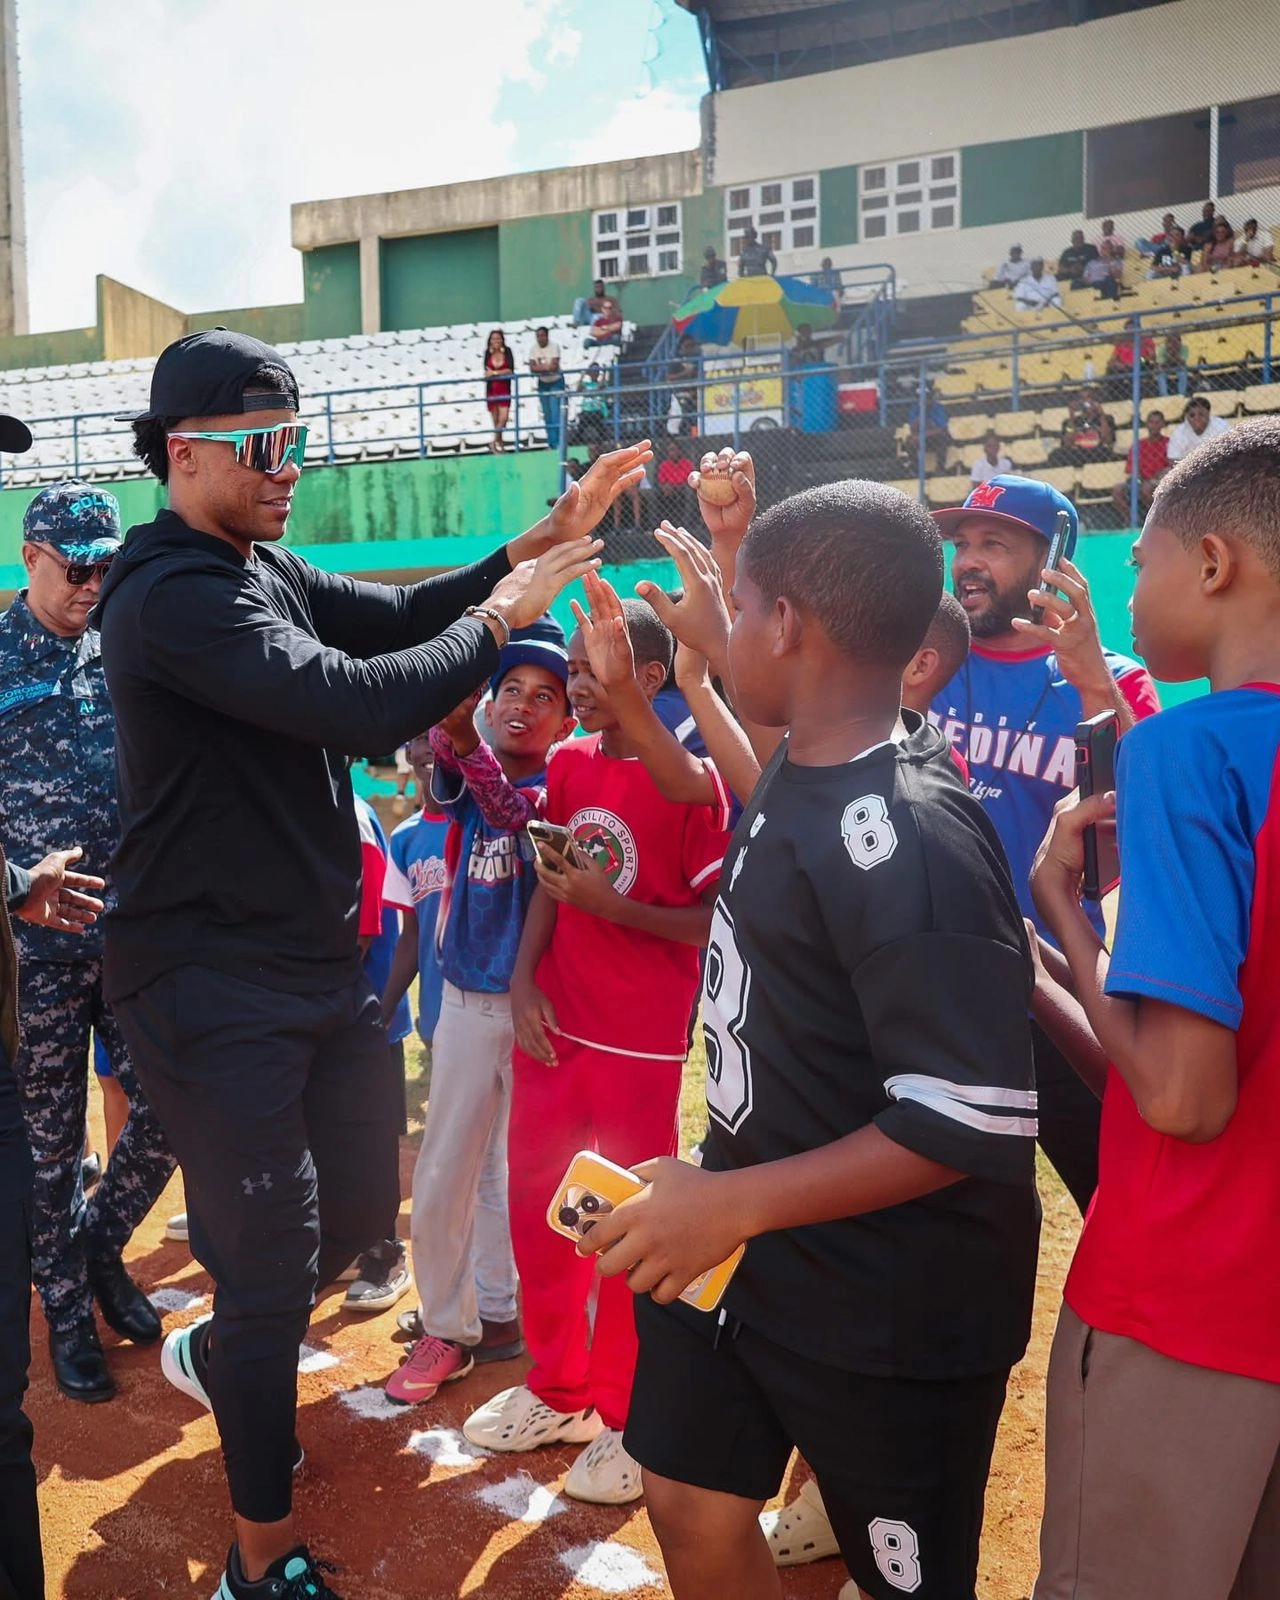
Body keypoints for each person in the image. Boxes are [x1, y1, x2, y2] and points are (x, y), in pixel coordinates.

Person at [95, 327, 644, 1598]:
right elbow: (357, 700)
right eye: (265, 446)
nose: (292, 466)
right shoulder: (169, 590)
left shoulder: (256, 561)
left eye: (299, 441)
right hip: (198, 971)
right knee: (278, 1247)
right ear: (184, 456)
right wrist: (507, 616)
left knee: (354, 1221)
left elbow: (396, 615)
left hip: (301, 965)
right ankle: (259, 1556)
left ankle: (222, 1347)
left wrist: (520, 549)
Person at [580, 479, 1040, 1600]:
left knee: (906, 1583)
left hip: (889, 1289)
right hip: (749, 1231)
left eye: (738, 609)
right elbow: (747, 749)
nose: (720, 626)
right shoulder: (810, 756)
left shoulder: (915, 839)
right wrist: (706, 631)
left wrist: (726, 1202)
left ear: (785, 625)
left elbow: (964, 1117)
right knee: (684, 1489)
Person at [1028, 418, 1280, 1600]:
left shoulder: (1183, 755)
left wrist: (1065, 926)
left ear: (1216, 564)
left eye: (1144, 559)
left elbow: (1183, 1096)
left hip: (1188, 1305)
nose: (1132, 586)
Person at [463, 589, 730, 1506]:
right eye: (572, 665)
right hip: (554, 1029)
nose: (572, 682)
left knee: (615, 1230)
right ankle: (558, 1390)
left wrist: (618, 910)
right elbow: (551, 882)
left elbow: (711, 919)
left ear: (650, 677)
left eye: (589, 666)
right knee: (543, 1215)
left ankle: (623, 1417)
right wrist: (524, 977)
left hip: (637, 1048)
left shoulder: (693, 779)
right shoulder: (570, 765)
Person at [930, 475, 1159, 1214]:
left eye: (993, 545)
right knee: (947, 1224)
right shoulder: (922, 666)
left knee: (1122, 1204)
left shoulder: (1117, 684)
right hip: (942, 994)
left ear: (1054, 557)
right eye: (961, 544)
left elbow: (1154, 820)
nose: (968, 561)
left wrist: (1094, 685)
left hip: (1066, 996)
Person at [0, 483, 176, 1405]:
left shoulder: (126, 646)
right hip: (35, 953)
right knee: (49, 1143)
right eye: (76, 568)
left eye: (107, 567)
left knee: (174, 1109)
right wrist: (16, 886)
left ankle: (99, 1247)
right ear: (29, 556)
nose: (92, 585)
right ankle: (68, 1315)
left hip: (136, 936)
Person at [384, 631, 575, 1405]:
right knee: (443, 1175)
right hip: (465, 1001)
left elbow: (518, 819)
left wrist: (467, 735)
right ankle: (445, 1325)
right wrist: (456, 717)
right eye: (510, 689)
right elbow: (459, 779)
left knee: (515, 1175)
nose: (523, 706)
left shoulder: (567, 783)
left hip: (541, 1007)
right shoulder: (460, 768)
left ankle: (498, 1315)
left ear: (567, 719)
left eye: (545, 696)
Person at [335, 794, 415, 1314]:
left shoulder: (354, 818)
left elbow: (361, 934)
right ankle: (339, 1242)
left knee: (371, 1141)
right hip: (328, 1013)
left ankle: (385, 1253)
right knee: (331, 1134)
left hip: (367, 1017)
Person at [1112, 408, 1169, 520]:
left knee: (1146, 488)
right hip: (1141, 480)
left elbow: (1170, 466)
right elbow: (1131, 469)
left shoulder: (1168, 443)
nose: (1154, 426)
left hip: (1160, 480)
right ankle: (1131, 521)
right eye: (1151, 422)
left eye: (1157, 422)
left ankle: (1156, 521)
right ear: (1147, 424)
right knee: (1117, 490)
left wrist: (1156, 477)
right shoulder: (1139, 444)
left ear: (1162, 424)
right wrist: (1138, 478)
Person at [1047, 389, 1115, 468]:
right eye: (1082, 398)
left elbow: (1108, 440)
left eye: (1088, 398)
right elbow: (1067, 443)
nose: (1085, 402)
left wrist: (1102, 415)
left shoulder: (1107, 419)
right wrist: (1071, 416)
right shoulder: (1069, 422)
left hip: (1096, 450)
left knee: (1104, 452)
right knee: (1056, 454)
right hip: (1077, 452)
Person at [527, 327, 565, 450]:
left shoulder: (554, 346)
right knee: (547, 414)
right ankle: (551, 443)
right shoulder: (533, 349)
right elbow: (532, 369)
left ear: (547, 336)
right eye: (538, 336)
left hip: (556, 382)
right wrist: (546, 367)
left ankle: (559, 443)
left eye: (542, 336)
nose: (540, 338)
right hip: (543, 383)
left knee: (556, 413)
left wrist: (541, 367)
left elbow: (554, 366)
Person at [1166, 393, 1230, 463]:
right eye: (1192, 415)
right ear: (1187, 417)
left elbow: (1231, 451)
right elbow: (1173, 459)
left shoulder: (1221, 425)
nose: (1197, 418)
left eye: (1201, 414)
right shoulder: (1179, 432)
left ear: (1208, 414)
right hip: (1189, 468)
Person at [905, 383, 951, 474]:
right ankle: (915, 469)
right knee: (909, 441)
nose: (923, 400)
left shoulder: (938, 407)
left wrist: (921, 435)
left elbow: (941, 429)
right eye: (919, 397)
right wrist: (922, 412)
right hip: (923, 438)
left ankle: (940, 469)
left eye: (925, 397)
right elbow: (912, 428)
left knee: (942, 437)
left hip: (936, 438)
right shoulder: (915, 408)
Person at [483, 329, 515, 452]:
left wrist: (495, 373)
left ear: (502, 340)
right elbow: (486, 372)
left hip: (504, 389)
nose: (496, 341)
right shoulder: (487, 353)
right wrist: (491, 374)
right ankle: (499, 445)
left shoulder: (507, 352)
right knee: (496, 421)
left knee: (504, 418)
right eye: (493, 339)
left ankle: (494, 442)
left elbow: (510, 370)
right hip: (492, 390)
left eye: (498, 338)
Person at [655, 438, 696, 526]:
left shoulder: (687, 463)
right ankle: (662, 523)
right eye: (670, 450)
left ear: (679, 451)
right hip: (669, 489)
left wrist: (677, 486)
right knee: (659, 492)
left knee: (689, 492)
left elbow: (691, 480)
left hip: (683, 488)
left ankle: (686, 523)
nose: (672, 453)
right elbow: (661, 481)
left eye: (674, 450)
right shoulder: (664, 465)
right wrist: (665, 486)